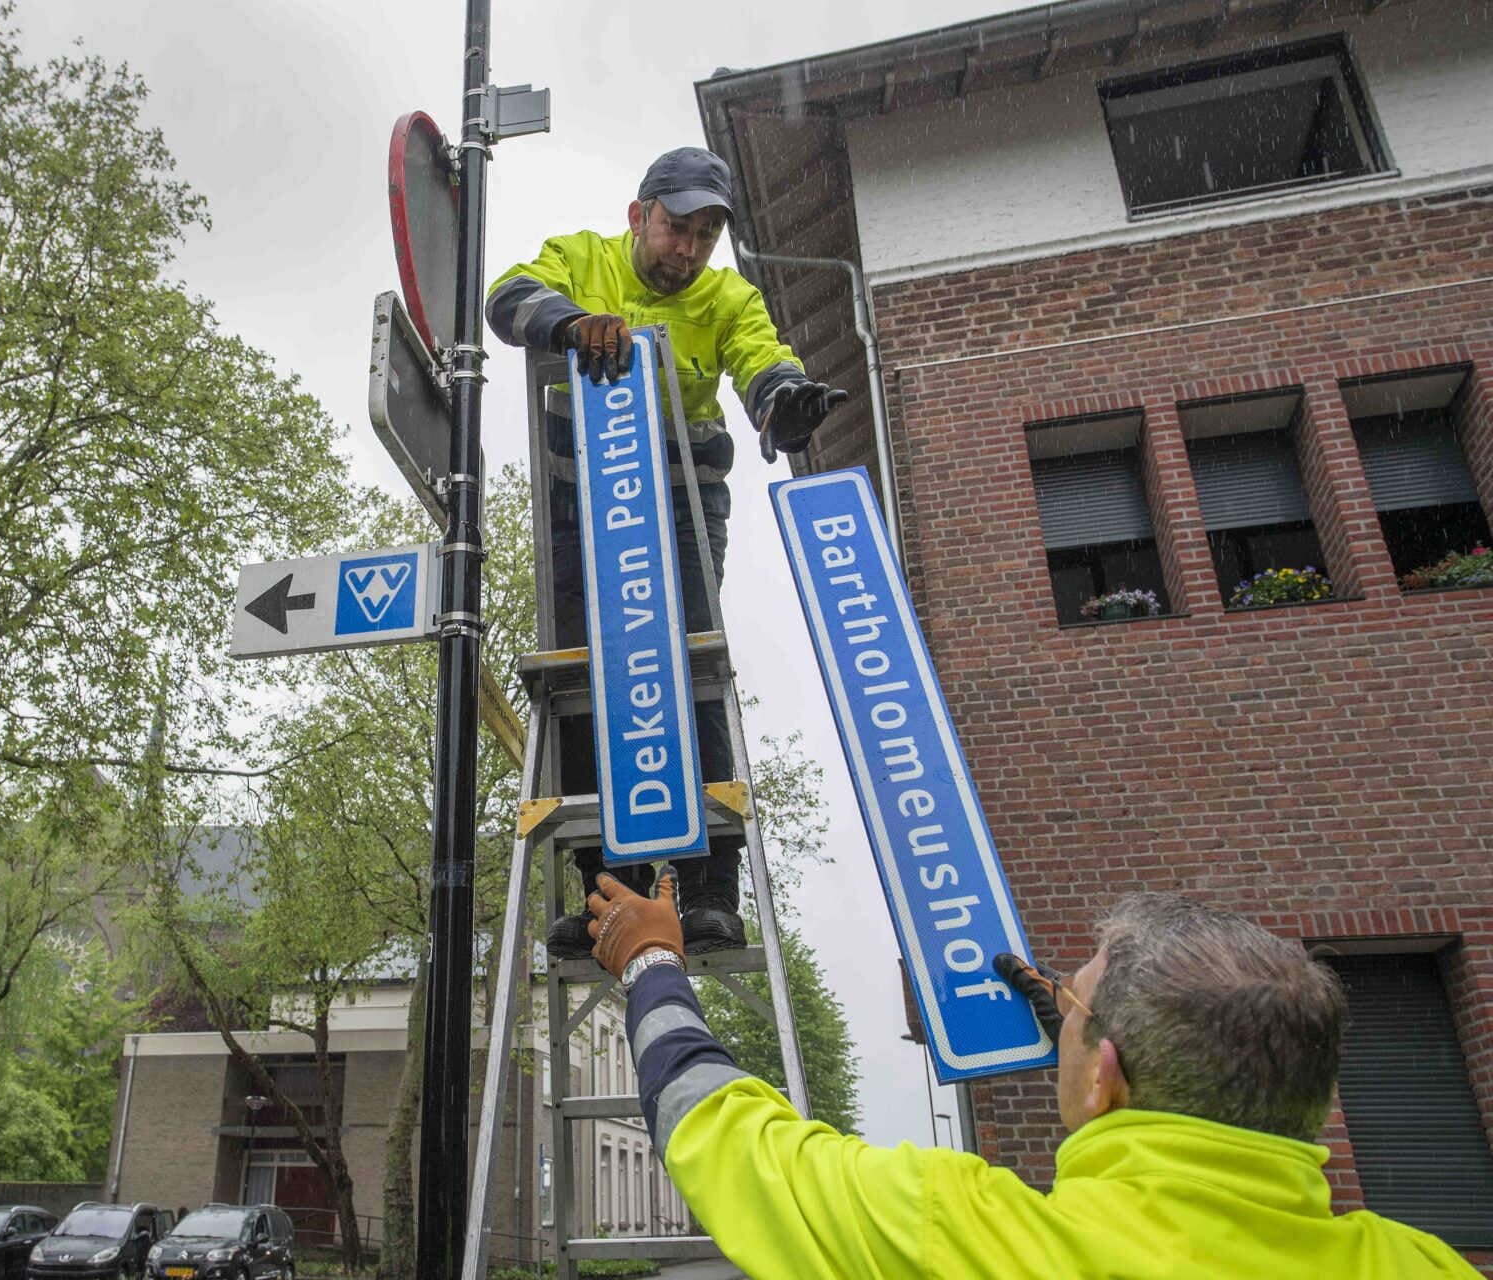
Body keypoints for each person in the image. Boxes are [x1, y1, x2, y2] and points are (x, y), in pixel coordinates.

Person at [585, 878, 1482, 1278]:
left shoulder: (962, 1238)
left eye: (1075, 1007)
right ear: (1319, 1100)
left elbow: (716, 1126)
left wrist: (651, 964)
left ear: (1104, 1079)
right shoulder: (1427, 1266)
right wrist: (1084, 1029)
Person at [486, 146, 845, 959]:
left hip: (682, 498)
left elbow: (762, 357)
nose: (687, 250)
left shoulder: (726, 295)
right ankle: (605, 890)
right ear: (637, 216)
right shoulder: (583, 258)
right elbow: (504, 299)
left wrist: (782, 400)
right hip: (582, 496)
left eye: (705, 235)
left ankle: (712, 885)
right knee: (585, 673)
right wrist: (570, 325)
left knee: (687, 664)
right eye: (676, 228)